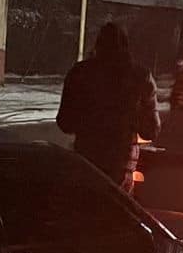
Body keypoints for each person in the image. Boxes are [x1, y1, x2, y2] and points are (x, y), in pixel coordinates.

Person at [57, 22, 160, 191]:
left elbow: (65, 122)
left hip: (87, 160)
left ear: (98, 44)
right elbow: (151, 130)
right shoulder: (140, 77)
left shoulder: (80, 73)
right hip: (121, 164)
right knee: (117, 212)